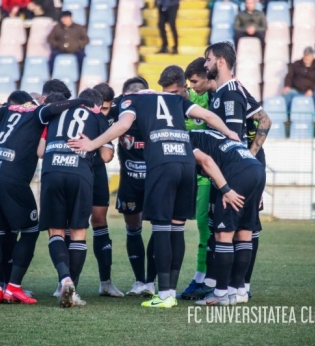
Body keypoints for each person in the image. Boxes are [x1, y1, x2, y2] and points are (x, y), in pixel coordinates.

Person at [68, 79, 240, 309]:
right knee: (177, 228)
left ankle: (165, 294)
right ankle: (171, 292)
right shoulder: (174, 98)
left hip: (162, 163)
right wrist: (230, 132)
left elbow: (122, 125)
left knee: (160, 228)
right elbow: (208, 116)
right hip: (186, 162)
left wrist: (92, 144)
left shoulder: (133, 100)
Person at [0, 91, 90, 305]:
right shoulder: (38, 112)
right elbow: (53, 109)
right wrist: (80, 101)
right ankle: (13, 287)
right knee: (30, 229)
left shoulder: (9, 109)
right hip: (11, 177)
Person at [40, 88, 110, 308]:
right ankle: (72, 287)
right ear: (96, 105)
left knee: (56, 232)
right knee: (78, 233)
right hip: (80, 173)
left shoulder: (55, 111)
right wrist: (93, 143)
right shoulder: (98, 116)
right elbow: (106, 156)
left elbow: (39, 150)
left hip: (52, 171)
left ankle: (64, 279)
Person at [188, 129, 266, 306]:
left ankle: (220, 292)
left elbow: (206, 162)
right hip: (257, 170)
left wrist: (226, 190)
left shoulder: (185, 139)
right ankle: (238, 291)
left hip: (237, 174)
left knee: (223, 234)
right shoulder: (210, 135)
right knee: (244, 233)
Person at [157, 65, 211, 298]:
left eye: (173, 94)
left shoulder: (204, 100)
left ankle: (204, 279)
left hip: (207, 176)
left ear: (184, 88)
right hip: (183, 175)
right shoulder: (163, 107)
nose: (169, 99)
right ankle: (159, 284)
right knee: (170, 227)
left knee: (205, 228)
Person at [107, 77, 156, 298]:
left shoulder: (156, 107)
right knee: (132, 227)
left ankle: (152, 282)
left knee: (160, 226)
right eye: (131, 94)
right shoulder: (118, 108)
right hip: (130, 179)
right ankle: (139, 281)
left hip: (156, 178)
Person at [90, 82, 124, 298]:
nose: (103, 113)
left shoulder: (119, 110)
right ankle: (64, 282)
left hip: (98, 172)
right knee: (70, 225)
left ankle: (106, 283)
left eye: (107, 108)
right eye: (100, 108)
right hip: (78, 170)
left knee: (100, 222)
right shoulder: (82, 113)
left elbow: (106, 157)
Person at [47, 10, 89, 75]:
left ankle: (80, 74)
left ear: (70, 18)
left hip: (75, 50)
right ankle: (51, 73)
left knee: (82, 56)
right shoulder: (57, 27)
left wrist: (79, 45)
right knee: (52, 56)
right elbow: (50, 38)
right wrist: (57, 45)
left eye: (66, 18)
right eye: (63, 18)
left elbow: (86, 39)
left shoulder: (78, 27)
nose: (64, 20)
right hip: (60, 50)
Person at [282, 46, 315, 111]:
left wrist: (311, 90)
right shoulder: (296, 64)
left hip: (311, 91)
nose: (306, 58)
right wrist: (287, 86)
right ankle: (288, 115)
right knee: (288, 94)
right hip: (297, 91)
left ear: (313, 57)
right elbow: (289, 76)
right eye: (305, 55)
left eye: (308, 56)